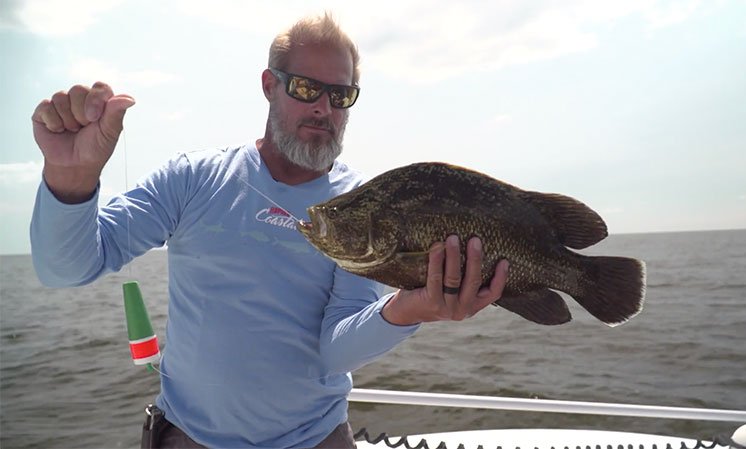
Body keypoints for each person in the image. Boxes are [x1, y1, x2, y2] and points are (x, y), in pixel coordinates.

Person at [29, 12, 510, 449]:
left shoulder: (363, 209)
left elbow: (336, 349)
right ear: (269, 85)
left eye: (340, 96)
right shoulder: (194, 178)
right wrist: (71, 176)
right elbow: (66, 268)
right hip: (190, 438)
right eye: (306, 88)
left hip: (316, 438)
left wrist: (412, 308)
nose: (324, 107)